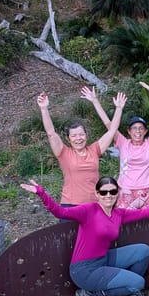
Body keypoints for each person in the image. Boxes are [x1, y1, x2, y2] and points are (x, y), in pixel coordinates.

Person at [19, 176, 149, 296]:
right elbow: (59, 211)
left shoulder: (118, 213)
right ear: (97, 194)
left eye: (112, 192)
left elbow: (145, 212)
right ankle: (90, 293)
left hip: (103, 259)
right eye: (104, 192)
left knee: (143, 251)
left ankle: (130, 294)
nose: (108, 196)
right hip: (84, 270)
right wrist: (41, 193)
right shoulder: (88, 210)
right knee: (138, 283)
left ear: (117, 193)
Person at [37, 91, 125, 220]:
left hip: (94, 205)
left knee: (95, 240)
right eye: (74, 136)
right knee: (70, 240)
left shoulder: (94, 149)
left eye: (81, 134)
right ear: (68, 139)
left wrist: (118, 109)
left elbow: (112, 131)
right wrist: (44, 108)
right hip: (70, 206)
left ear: (86, 136)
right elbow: (51, 133)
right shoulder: (63, 153)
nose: (78, 138)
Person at [82, 84, 149, 209]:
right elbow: (108, 124)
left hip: (148, 191)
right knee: (126, 225)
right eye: (134, 128)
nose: (138, 131)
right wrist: (95, 101)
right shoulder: (123, 143)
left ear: (145, 131)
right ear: (129, 131)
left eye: (141, 128)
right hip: (126, 191)